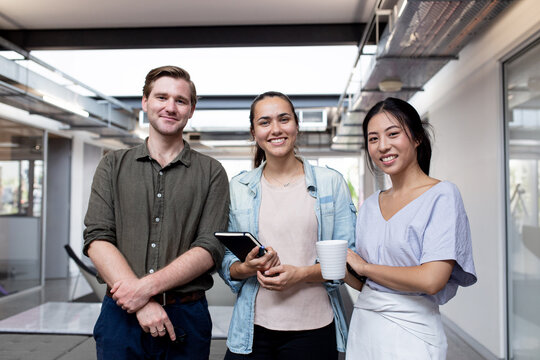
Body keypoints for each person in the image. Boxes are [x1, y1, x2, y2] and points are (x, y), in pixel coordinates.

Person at [83, 65, 229, 359]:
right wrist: (140, 302)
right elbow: (97, 238)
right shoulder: (112, 166)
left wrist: (142, 290)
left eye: (180, 100)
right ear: (145, 102)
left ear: (191, 109)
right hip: (120, 318)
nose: (170, 107)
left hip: (186, 316)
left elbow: (209, 247)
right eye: (161, 97)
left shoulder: (211, 172)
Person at [218, 91, 356, 359]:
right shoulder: (239, 188)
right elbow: (225, 261)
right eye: (265, 122)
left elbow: (346, 260)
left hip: (313, 327)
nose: (276, 129)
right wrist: (246, 267)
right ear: (253, 131)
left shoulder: (331, 183)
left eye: (284, 119)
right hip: (252, 328)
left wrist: (301, 274)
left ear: (296, 126)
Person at [345, 97, 477, 359]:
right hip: (364, 328)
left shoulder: (442, 195)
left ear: (417, 137)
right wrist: (338, 266)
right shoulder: (370, 206)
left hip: (412, 334)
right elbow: (367, 284)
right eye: (373, 139)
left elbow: (431, 280)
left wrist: (364, 267)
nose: (383, 146)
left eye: (393, 134)